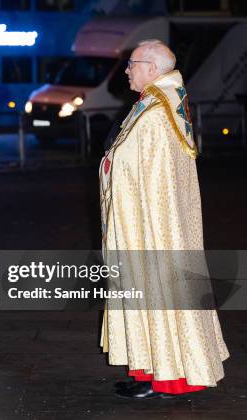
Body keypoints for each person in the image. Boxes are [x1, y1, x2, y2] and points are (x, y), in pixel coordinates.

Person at [99, 39, 229, 399]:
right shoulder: (156, 103)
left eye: (132, 64)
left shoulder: (157, 112)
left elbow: (154, 177)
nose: (127, 69)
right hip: (143, 221)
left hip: (151, 226)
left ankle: (167, 377)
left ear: (152, 69)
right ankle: (148, 370)